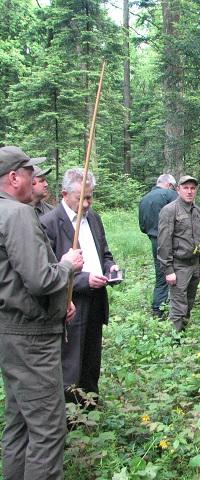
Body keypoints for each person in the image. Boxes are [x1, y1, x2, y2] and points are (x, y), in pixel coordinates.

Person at [0, 146, 83, 480]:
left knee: (19, 422)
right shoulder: (18, 215)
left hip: (9, 331)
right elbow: (39, 279)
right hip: (31, 338)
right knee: (48, 429)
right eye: (29, 172)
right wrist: (66, 266)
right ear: (14, 177)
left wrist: (61, 302)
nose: (35, 178)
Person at [41, 168, 118, 406]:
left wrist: (110, 268)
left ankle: (90, 405)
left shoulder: (93, 218)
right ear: (64, 194)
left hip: (97, 299)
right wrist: (84, 280)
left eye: (90, 197)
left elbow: (104, 253)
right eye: (81, 198)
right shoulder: (49, 224)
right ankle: (70, 412)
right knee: (71, 360)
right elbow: (50, 269)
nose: (86, 204)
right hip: (71, 302)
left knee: (92, 357)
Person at [157, 176, 200, 332]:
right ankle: (176, 338)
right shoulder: (169, 210)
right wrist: (168, 270)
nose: (189, 191)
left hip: (194, 264)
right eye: (186, 188)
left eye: (192, 188)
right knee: (179, 305)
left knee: (190, 301)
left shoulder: (197, 210)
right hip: (179, 265)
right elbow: (164, 242)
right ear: (178, 189)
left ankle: (183, 332)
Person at [138, 174, 178, 316]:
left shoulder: (144, 199)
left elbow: (142, 226)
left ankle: (158, 308)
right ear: (170, 185)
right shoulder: (171, 195)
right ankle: (172, 307)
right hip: (172, 240)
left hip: (154, 240)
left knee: (161, 274)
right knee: (176, 271)